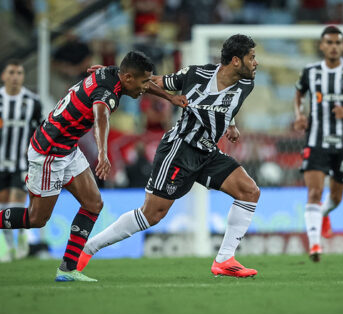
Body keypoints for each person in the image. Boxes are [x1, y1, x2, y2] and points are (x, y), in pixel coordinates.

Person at [0, 51, 187, 282]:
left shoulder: (113, 73)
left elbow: (137, 85)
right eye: (143, 81)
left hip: (68, 148)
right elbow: (101, 117)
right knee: (37, 218)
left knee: (93, 203)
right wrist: (102, 153)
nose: (146, 86)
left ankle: (68, 268)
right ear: (127, 78)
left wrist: (170, 97)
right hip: (48, 152)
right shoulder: (106, 92)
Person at [77, 34, 260, 278]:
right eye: (252, 57)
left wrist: (231, 124)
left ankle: (225, 259)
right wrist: (115, 75)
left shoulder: (247, 83)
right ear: (236, 61)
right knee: (151, 214)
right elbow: (153, 81)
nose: (256, 62)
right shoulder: (197, 75)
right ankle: (88, 247)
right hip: (179, 149)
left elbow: (227, 104)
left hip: (208, 152)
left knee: (249, 191)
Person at [293, 26, 343, 262]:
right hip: (316, 139)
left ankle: (324, 214)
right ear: (321, 46)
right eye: (329, 42)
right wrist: (299, 115)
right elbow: (298, 93)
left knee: (337, 198)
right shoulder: (310, 72)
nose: (333, 46)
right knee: (315, 192)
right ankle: (315, 245)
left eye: (338, 43)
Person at [0, 59, 42, 262]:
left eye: (19, 73)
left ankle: (22, 236)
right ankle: (10, 248)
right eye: (12, 72)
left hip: (22, 162)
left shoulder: (33, 101)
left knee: (17, 201)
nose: (15, 77)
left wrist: (32, 144)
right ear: (4, 76)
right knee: (3, 206)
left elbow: (41, 128)